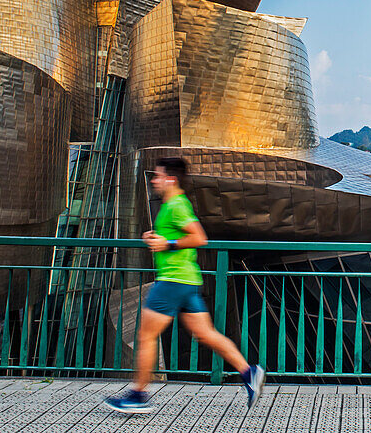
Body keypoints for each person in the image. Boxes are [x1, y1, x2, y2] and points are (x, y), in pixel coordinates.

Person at [104, 157, 265, 414]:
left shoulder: (177, 205)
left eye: (157, 176)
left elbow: (199, 237)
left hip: (172, 281)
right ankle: (249, 372)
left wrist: (168, 244)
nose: (154, 181)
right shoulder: (171, 205)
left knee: (146, 336)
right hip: (188, 280)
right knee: (205, 334)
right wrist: (156, 237)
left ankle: (138, 394)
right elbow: (175, 235)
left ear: (171, 179)